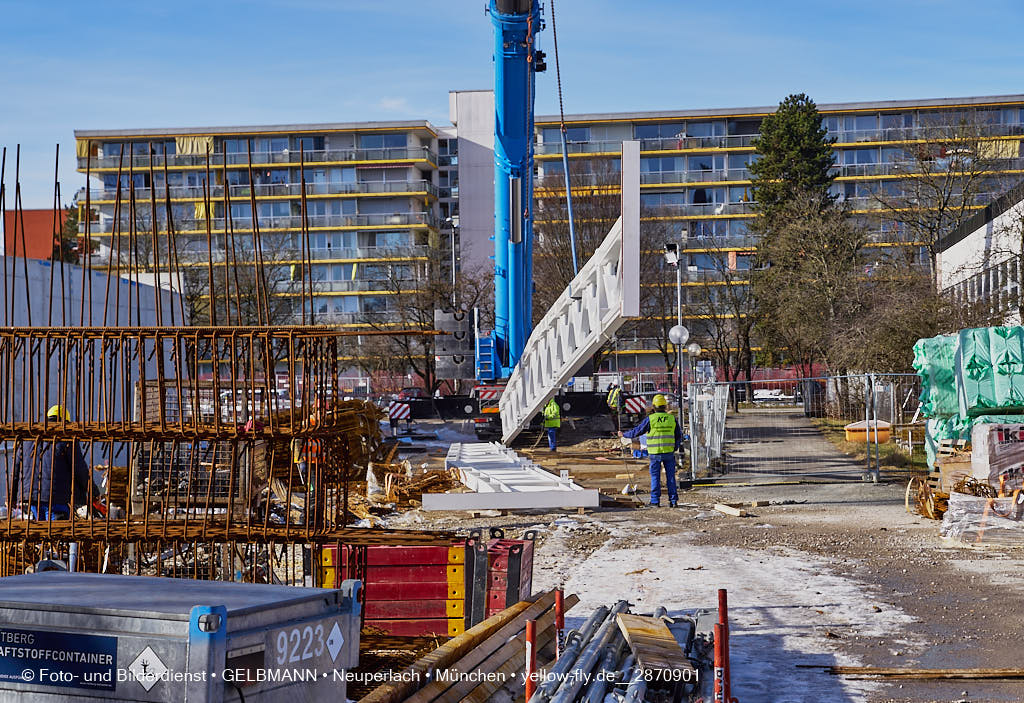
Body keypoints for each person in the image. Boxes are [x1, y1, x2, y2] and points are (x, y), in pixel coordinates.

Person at [12, 405, 92, 519]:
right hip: (57, 498)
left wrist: (11, 496)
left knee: (40, 532)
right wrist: (93, 492)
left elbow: (15, 470)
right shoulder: (66, 438)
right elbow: (79, 468)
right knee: (58, 533)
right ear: (65, 421)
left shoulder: (27, 439)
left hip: (32, 498)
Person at [619, 394, 682, 507]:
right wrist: (674, 447)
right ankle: (673, 501)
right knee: (671, 477)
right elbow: (678, 435)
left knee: (655, 477)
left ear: (654, 406)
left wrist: (624, 435)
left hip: (655, 453)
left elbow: (637, 431)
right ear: (665, 406)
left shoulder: (651, 419)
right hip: (668, 452)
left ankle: (655, 501)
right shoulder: (672, 419)